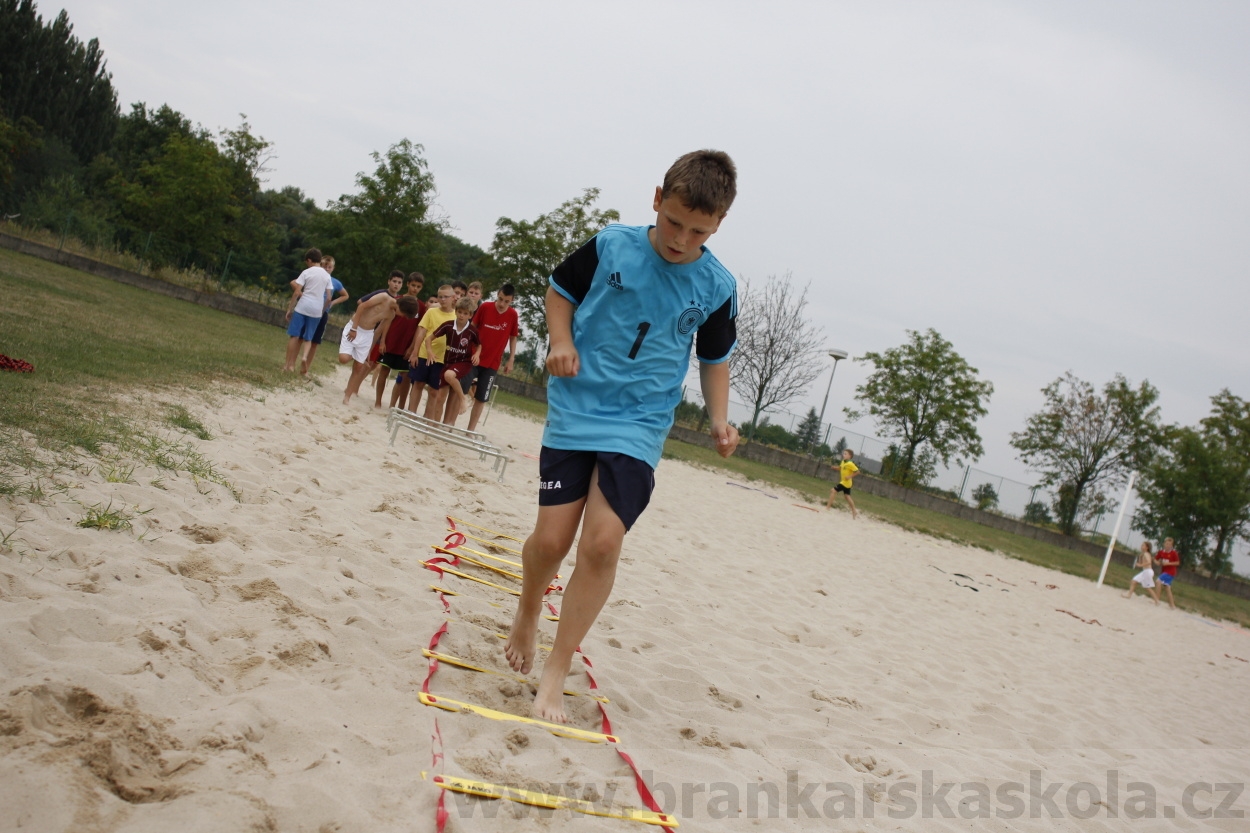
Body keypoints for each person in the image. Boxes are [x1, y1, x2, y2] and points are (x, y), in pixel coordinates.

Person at [504, 150, 740, 723]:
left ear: (718, 226)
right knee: (552, 541)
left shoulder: (717, 286)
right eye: (674, 222)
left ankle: (558, 668)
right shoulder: (612, 243)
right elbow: (559, 292)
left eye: (698, 231)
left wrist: (717, 418)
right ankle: (529, 606)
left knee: (603, 542)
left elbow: (714, 358)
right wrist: (560, 341)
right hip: (578, 404)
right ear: (656, 199)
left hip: (640, 422)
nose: (681, 239)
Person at [461, 284, 520, 431]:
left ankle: (470, 431)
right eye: (500, 299)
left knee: (481, 397)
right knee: (461, 389)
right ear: (497, 295)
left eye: (506, 301)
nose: (501, 304)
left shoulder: (513, 315)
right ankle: (449, 423)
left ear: (512, 300)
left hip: (492, 364)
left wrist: (511, 359)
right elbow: (472, 327)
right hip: (474, 357)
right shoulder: (485, 307)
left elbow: (513, 337)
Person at [422, 297, 481, 424]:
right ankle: (435, 426)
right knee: (439, 397)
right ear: (456, 311)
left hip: (463, 363)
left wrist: (477, 355)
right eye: (460, 312)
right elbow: (428, 339)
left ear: (470, 315)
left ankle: (462, 398)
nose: (461, 315)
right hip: (448, 363)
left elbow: (479, 345)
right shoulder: (448, 325)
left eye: (465, 313)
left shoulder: (472, 331)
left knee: (449, 375)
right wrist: (430, 352)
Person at [404, 285, 457, 415]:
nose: (443, 299)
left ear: (453, 298)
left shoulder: (457, 316)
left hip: (441, 358)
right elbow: (421, 332)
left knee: (434, 390)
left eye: (446, 297)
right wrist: (414, 353)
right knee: (418, 384)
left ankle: (426, 419)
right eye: (440, 297)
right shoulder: (431, 312)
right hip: (423, 354)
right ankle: (411, 414)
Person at [340, 289, 397, 405]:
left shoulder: (392, 314)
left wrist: (370, 349)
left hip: (368, 334)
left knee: (358, 367)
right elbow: (361, 306)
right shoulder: (383, 297)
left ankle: (347, 396)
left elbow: (378, 331)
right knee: (343, 359)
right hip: (355, 327)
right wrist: (354, 328)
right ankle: (356, 356)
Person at [282, 248, 333, 372]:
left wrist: (290, 309)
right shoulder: (326, 275)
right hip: (316, 309)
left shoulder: (307, 272)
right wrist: (322, 310)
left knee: (294, 335)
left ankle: (288, 365)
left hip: (303, 306)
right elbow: (329, 297)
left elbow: (297, 292)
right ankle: (304, 357)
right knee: (308, 338)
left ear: (309, 260)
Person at [301, 255, 350, 376]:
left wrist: (333, 302)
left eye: (329, 267)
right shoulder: (315, 277)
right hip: (310, 310)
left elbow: (345, 295)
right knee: (302, 337)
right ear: (320, 265)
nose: (327, 269)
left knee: (315, 342)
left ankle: (306, 368)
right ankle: (297, 361)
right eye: (324, 266)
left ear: (333, 268)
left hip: (323, 313)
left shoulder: (335, 282)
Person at [372, 296, 423, 409]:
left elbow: (420, 328)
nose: (415, 288)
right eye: (413, 285)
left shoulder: (421, 306)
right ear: (408, 284)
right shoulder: (396, 301)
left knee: (405, 376)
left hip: (406, 346)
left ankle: (400, 406)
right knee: (384, 370)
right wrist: (383, 341)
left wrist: (412, 347)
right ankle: (378, 402)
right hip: (390, 343)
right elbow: (387, 321)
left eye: (418, 286)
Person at [825, 449, 860, 519]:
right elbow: (840, 468)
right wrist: (834, 468)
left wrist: (850, 476)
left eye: (845, 454)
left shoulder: (850, 464)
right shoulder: (843, 462)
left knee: (833, 490)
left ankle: (827, 508)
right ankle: (854, 511)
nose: (844, 455)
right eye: (843, 453)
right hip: (846, 482)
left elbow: (858, 472)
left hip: (845, 482)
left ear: (850, 456)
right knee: (847, 496)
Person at [1155, 537, 1180, 609]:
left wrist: (1168, 564)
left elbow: (1177, 563)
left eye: (1170, 544)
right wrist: (1157, 562)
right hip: (1164, 571)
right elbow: (1156, 559)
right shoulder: (1161, 552)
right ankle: (1172, 605)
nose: (1168, 545)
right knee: (1167, 587)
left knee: (1158, 581)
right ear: (1164, 544)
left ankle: (1157, 599)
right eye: (1167, 544)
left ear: (1172, 546)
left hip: (1170, 572)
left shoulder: (1173, 553)